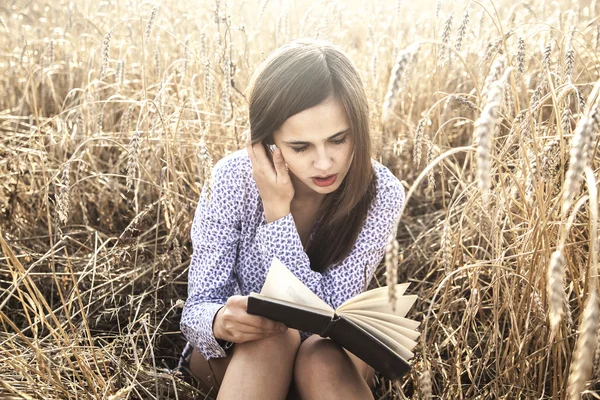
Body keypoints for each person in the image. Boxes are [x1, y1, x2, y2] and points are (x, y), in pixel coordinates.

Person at [177, 38, 405, 400]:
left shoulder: (381, 193)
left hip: (328, 357)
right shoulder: (231, 180)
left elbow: (327, 317)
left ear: (358, 130)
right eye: (301, 147)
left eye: (339, 139)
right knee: (273, 340)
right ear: (267, 142)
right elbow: (197, 309)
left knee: (318, 355)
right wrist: (220, 319)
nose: (325, 163)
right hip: (240, 355)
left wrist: (277, 215)